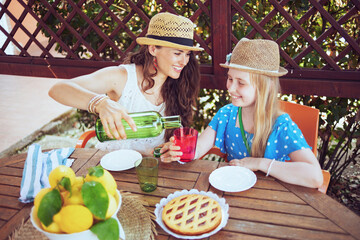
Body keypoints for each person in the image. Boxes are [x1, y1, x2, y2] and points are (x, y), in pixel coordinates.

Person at [161, 38, 323, 188]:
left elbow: (315, 177)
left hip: (274, 197)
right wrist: (180, 151)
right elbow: (199, 149)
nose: (230, 88)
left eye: (241, 83)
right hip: (233, 191)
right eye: (230, 79)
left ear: (265, 89)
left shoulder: (281, 125)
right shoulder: (226, 114)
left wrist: (259, 163)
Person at [48, 12, 203, 156]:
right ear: (153, 49)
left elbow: (153, 150)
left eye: (187, 54)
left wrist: (164, 153)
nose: (184, 62)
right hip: (110, 169)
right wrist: (100, 104)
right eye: (177, 53)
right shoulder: (122, 77)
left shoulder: (180, 87)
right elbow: (58, 89)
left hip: (148, 174)